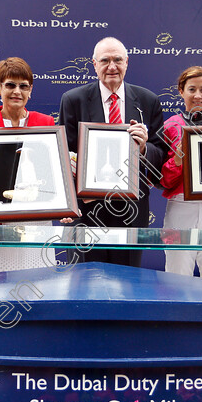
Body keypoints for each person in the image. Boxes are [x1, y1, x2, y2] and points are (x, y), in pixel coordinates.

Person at [58, 36, 165, 268]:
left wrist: (145, 147)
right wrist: (68, 203)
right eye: (105, 60)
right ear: (94, 64)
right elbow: (64, 156)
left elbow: (161, 157)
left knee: (127, 284)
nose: (112, 67)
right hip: (86, 213)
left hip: (131, 212)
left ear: (127, 62)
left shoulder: (148, 101)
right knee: (83, 282)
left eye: (118, 60)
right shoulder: (73, 100)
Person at [0, 57, 57, 274]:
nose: (17, 91)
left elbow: (53, 172)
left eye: (23, 86)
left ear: (30, 90)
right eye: (10, 85)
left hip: (36, 219)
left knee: (39, 283)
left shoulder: (46, 123)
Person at [160, 66, 202, 279]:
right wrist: (178, 159)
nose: (198, 95)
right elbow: (163, 180)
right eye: (192, 89)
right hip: (180, 205)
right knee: (177, 272)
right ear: (181, 91)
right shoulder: (169, 127)